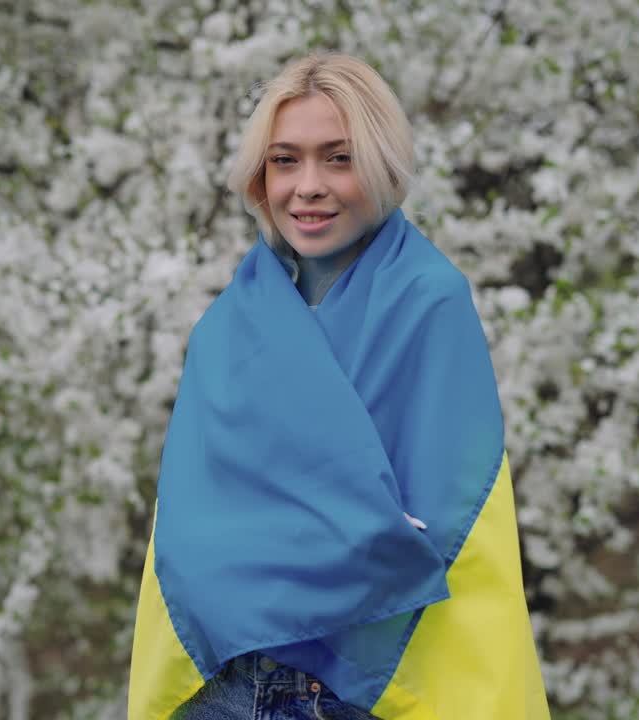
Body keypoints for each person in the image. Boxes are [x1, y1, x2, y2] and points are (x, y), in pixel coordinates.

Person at [128, 53, 549, 720]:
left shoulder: (428, 302)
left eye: (339, 158)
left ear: (380, 164)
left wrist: (281, 549)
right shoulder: (226, 326)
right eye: (285, 160)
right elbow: (189, 530)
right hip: (227, 690)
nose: (309, 186)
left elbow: (441, 521)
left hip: (358, 695)